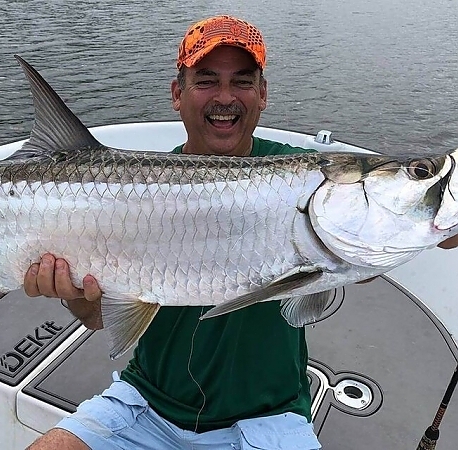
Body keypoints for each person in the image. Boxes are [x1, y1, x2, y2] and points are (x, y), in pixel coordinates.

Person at [24, 15, 458, 450]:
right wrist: (73, 293)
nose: (226, 98)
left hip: (269, 419)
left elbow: (368, 243)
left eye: (243, 82)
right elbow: (98, 317)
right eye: (207, 80)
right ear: (178, 93)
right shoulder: (127, 191)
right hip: (144, 405)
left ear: (263, 94)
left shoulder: (303, 175)